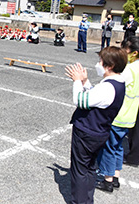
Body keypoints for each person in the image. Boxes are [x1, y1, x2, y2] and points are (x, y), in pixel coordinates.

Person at [65, 46, 127, 204]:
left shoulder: (108, 87)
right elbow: (95, 96)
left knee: (79, 170)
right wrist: (86, 82)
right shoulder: (118, 83)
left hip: (87, 132)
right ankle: (87, 199)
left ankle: (79, 201)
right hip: (100, 132)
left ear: (110, 66)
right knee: (90, 168)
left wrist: (77, 81)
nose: (98, 64)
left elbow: (80, 100)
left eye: (101, 61)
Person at [96, 36, 139, 193]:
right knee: (118, 147)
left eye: (124, 49)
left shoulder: (130, 69)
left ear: (133, 52)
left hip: (118, 115)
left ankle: (107, 181)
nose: (122, 52)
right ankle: (115, 177)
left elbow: (115, 84)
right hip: (131, 115)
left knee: (108, 147)